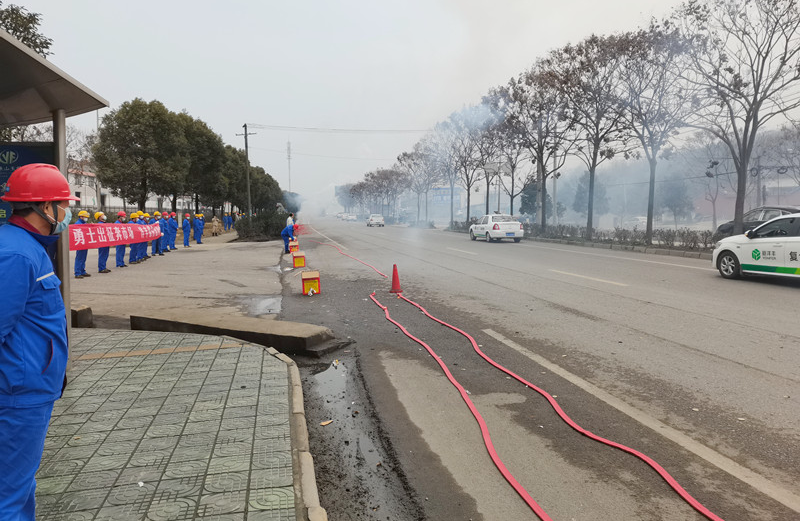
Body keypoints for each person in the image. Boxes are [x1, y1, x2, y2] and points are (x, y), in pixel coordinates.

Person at [0, 163, 79, 520]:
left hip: (29, 387)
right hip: (17, 395)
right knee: (9, 495)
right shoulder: (15, 254)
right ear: (45, 207)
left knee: (18, 486)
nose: (67, 213)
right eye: (64, 205)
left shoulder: (26, 246)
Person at [73, 210, 91, 278]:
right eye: (85, 217)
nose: (86, 218)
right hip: (80, 243)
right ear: (81, 217)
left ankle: (82, 271)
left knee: (83, 258)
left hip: (85, 243)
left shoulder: (84, 223)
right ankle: (77, 273)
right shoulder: (77, 224)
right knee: (79, 258)